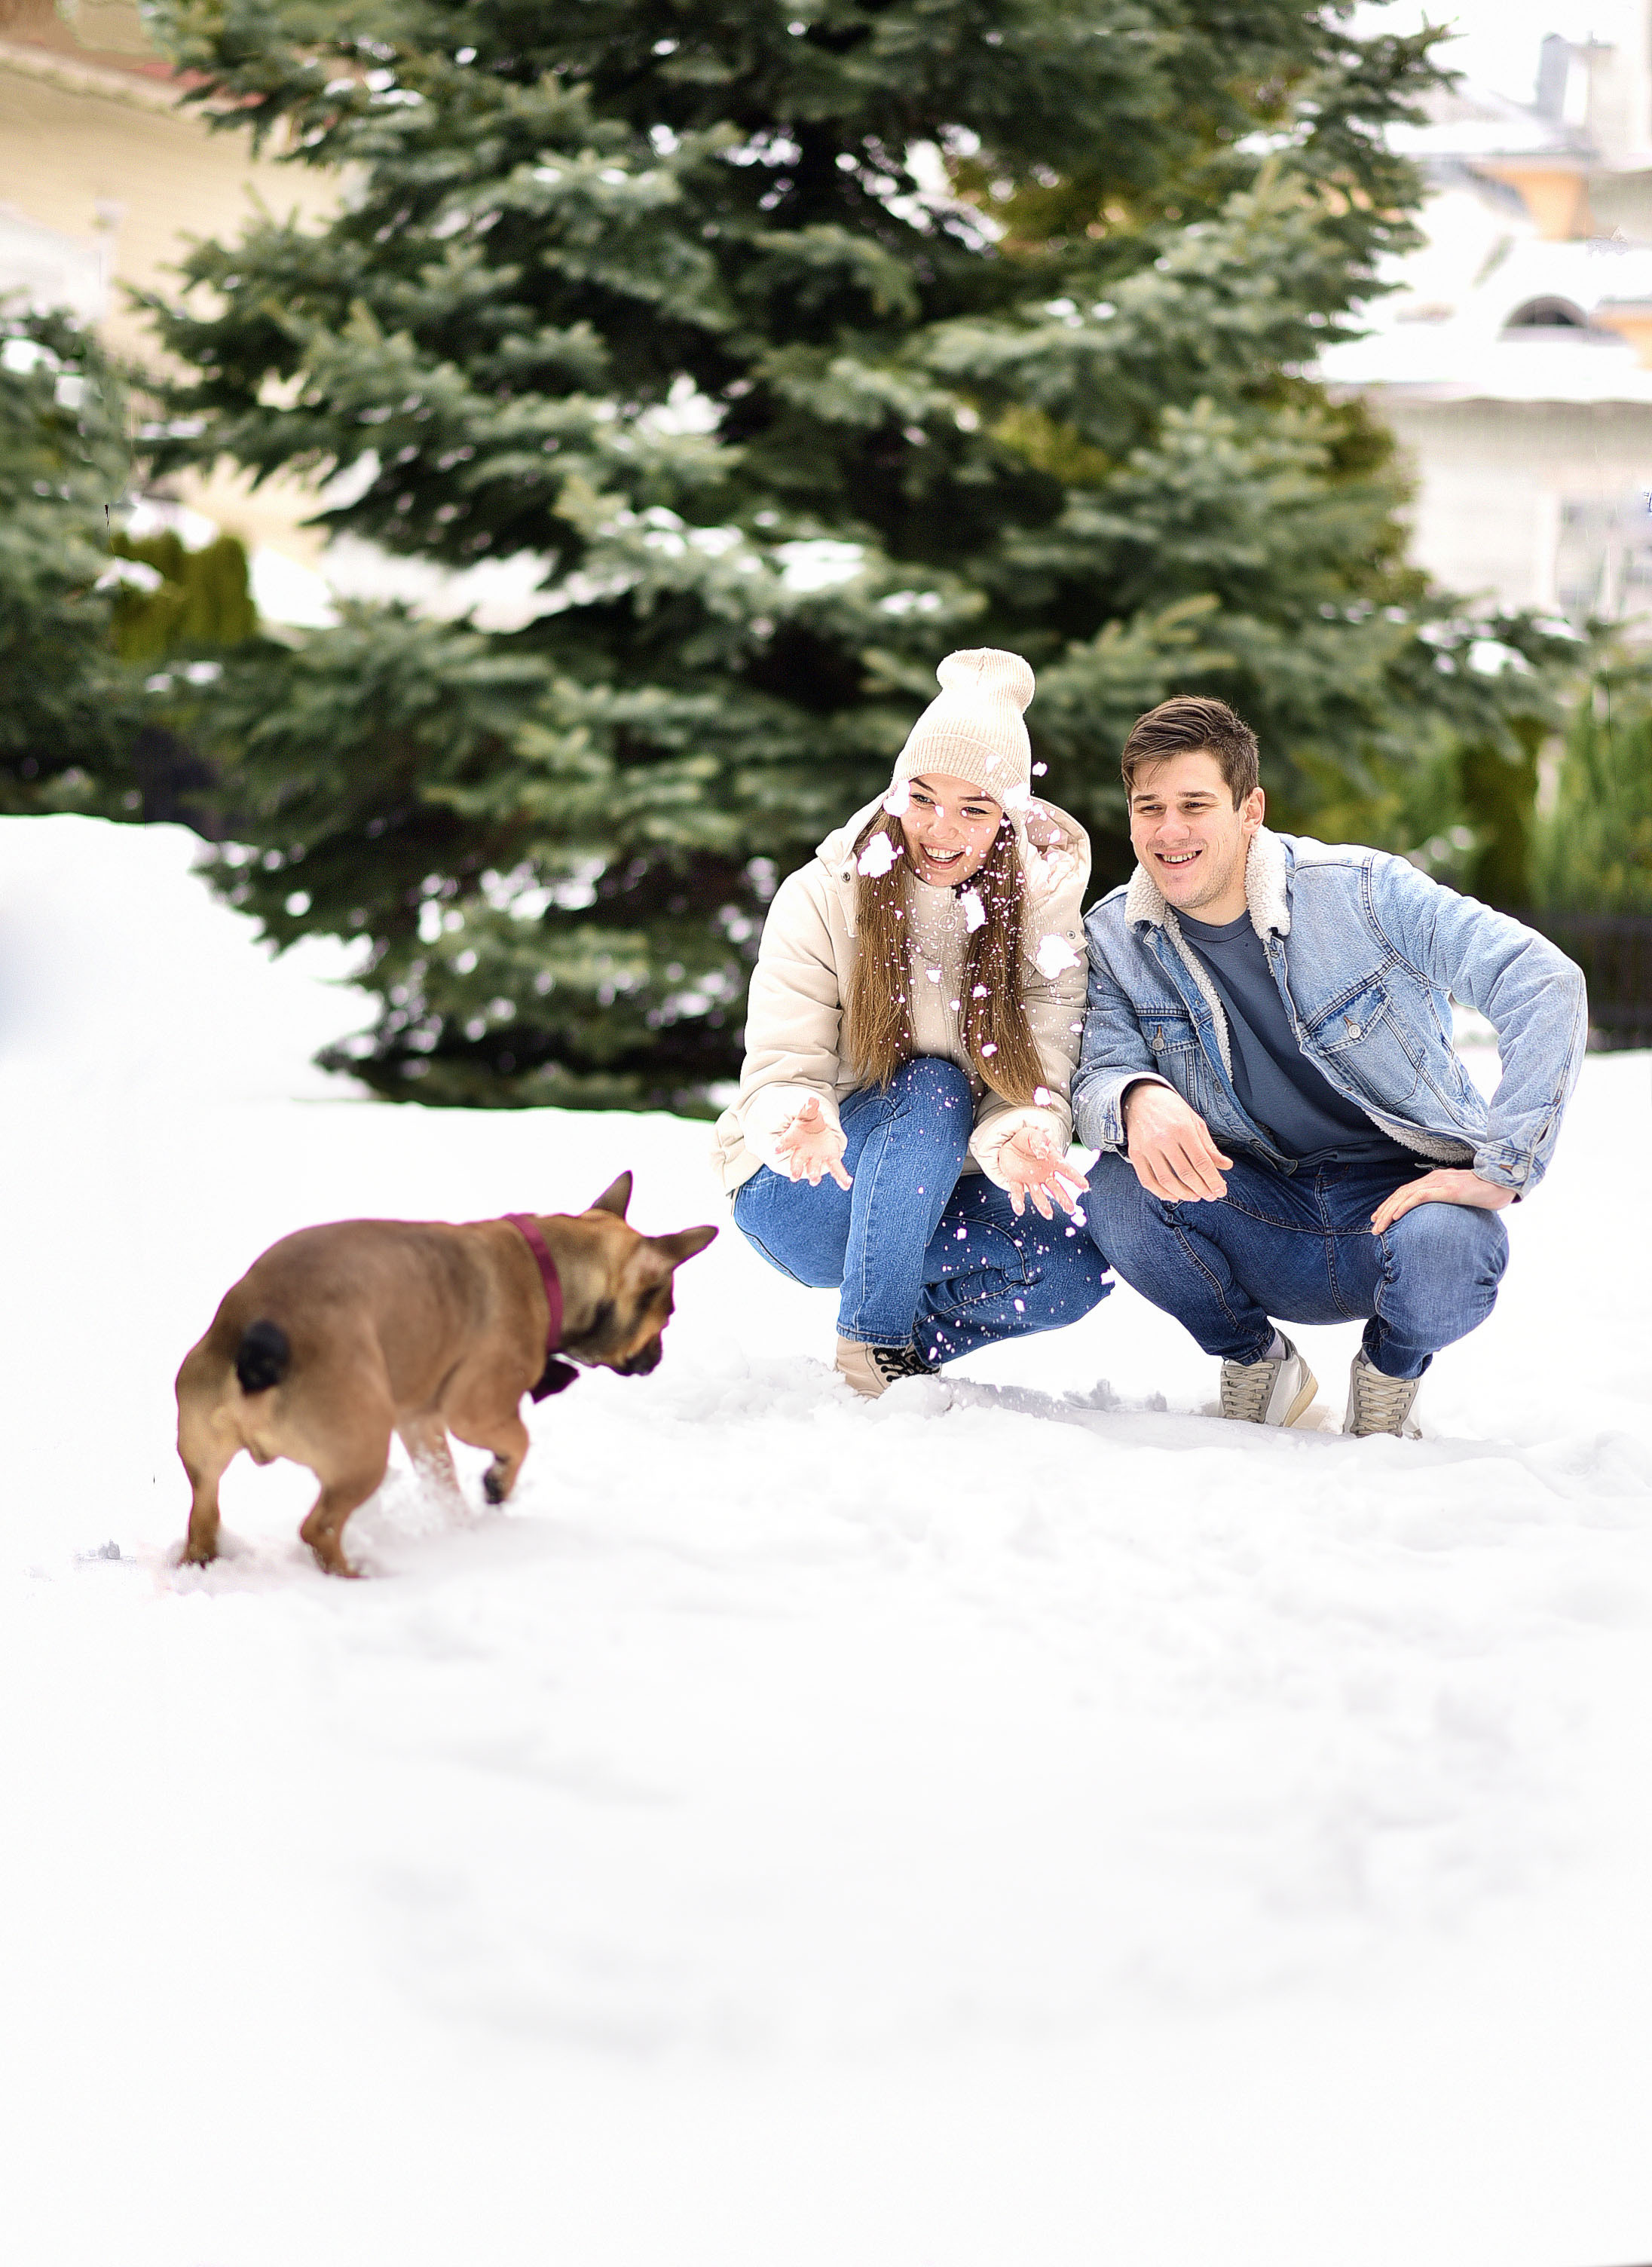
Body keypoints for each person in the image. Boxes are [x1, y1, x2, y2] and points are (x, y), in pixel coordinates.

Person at [1072, 695, 1586, 1436]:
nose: (1169, 830)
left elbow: (1541, 980)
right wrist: (1132, 1097)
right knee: (1118, 1191)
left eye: (1193, 803)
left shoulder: (1362, 891)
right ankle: (1255, 1359)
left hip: (1394, 1207)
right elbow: (1096, 1069)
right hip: (1252, 1201)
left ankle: (1389, 1369)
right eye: (1148, 807)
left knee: (1452, 1246)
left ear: (1249, 808)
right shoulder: (1115, 937)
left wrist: (1503, 1166)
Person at [713, 648, 1111, 1397]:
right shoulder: (824, 894)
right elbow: (782, 1062)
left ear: (1007, 817)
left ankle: (903, 1349)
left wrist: (1024, 1130)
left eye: (973, 807)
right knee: (930, 1086)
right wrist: (799, 1114)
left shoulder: (1043, 921)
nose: (940, 827)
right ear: (896, 792)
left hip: (937, 1199)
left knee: (1073, 1261)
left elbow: (1041, 1075)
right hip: (808, 1188)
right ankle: (869, 1346)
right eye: (922, 797)